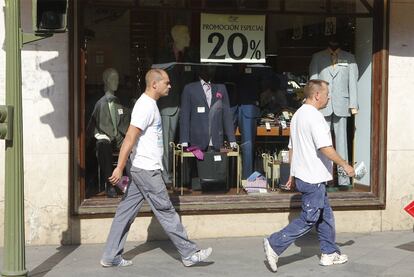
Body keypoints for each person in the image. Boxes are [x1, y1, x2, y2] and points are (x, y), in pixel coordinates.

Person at [100, 69, 212, 267]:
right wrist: (119, 167)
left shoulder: (150, 104)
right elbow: (129, 138)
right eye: (166, 83)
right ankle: (189, 253)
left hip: (142, 169)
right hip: (146, 170)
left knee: (125, 212)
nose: (170, 86)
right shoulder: (145, 106)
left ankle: (110, 256)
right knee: (166, 210)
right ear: (154, 84)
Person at [263, 79, 355, 272]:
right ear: (317, 95)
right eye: (327, 93)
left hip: (308, 176)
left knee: (325, 216)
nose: (329, 97)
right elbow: (325, 147)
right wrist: (344, 165)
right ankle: (274, 243)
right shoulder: (314, 117)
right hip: (313, 178)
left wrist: (292, 173)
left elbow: (292, 147)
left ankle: (329, 253)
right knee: (310, 218)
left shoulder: (297, 115)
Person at [309, 35, 358, 187]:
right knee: (322, 143)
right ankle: (323, 179)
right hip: (322, 106)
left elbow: (353, 82)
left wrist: (353, 105)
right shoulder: (317, 57)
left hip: (341, 105)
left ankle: (343, 180)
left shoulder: (349, 58)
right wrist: (313, 104)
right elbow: (313, 82)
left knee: (342, 143)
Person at [87, 68, 130, 198]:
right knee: (102, 145)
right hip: (105, 138)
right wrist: (98, 134)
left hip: (120, 137)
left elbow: (126, 120)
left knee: (132, 145)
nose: (116, 81)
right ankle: (110, 184)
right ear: (105, 81)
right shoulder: (97, 101)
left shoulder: (121, 100)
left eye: (117, 78)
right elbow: (91, 123)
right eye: (112, 79)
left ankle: (131, 184)